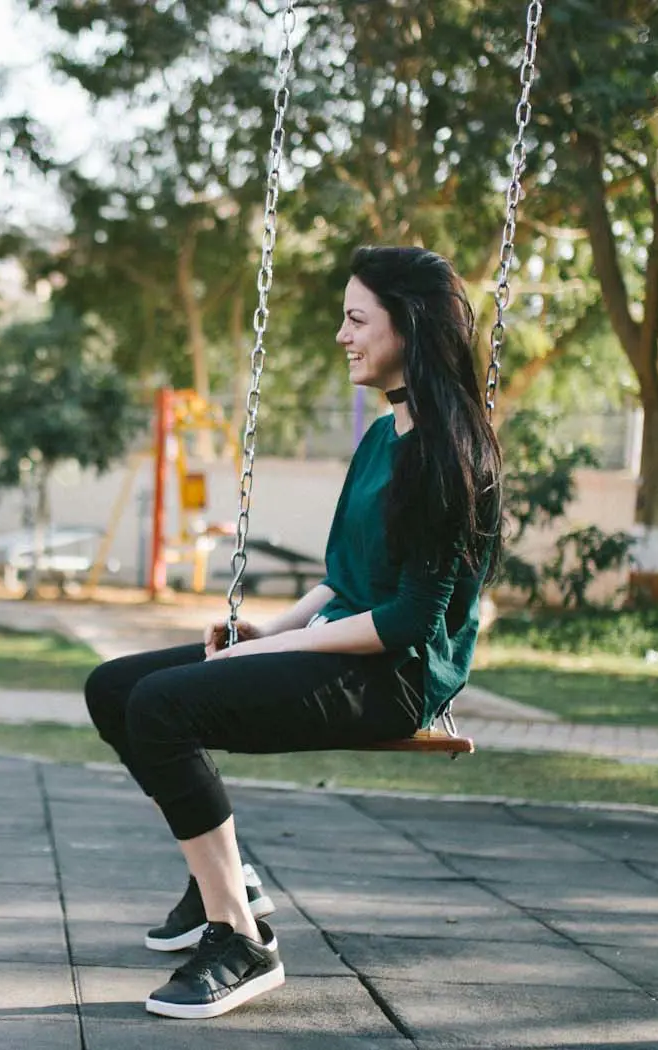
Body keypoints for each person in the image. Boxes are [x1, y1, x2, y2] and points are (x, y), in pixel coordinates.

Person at [82, 246, 501, 1019]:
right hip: (343, 640)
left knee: (163, 708)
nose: (343, 335)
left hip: (396, 675)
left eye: (356, 318)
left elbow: (409, 619)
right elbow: (343, 577)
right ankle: (225, 877)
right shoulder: (383, 437)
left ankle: (238, 937)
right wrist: (267, 626)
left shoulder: (449, 451)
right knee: (115, 688)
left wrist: (279, 647)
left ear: (407, 327)